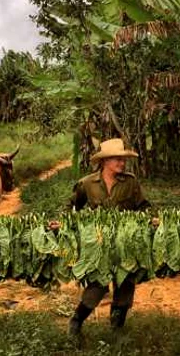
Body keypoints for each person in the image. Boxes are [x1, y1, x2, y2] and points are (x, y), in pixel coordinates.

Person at [48, 138, 153, 337]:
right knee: (97, 285)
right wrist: (63, 223)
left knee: (125, 285)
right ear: (104, 162)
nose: (122, 163)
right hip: (98, 244)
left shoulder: (131, 182)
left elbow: (144, 206)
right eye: (117, 160)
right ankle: (76, 322)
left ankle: (116, 331)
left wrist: (149, 220)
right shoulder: (87, 184)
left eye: (123, 160)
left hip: (125, 243)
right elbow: (71, 207)